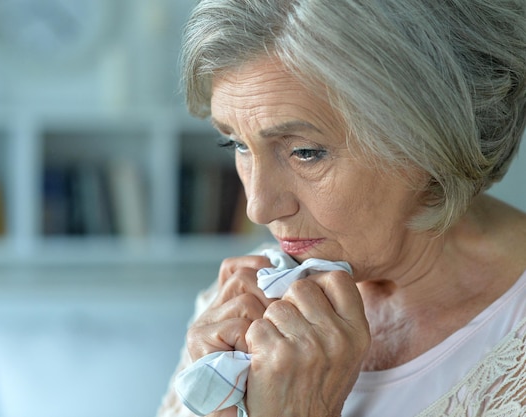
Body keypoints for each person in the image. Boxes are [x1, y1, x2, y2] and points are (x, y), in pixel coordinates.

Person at [158, 0, 526, 416]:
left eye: (306, 152)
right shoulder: (240, 304)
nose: (258, 209)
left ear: (435, 138)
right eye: (238, 144)